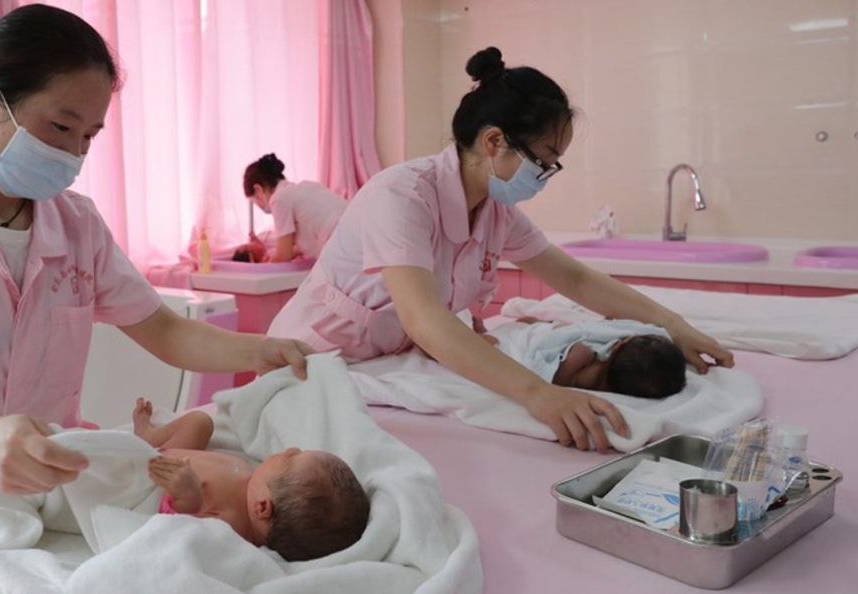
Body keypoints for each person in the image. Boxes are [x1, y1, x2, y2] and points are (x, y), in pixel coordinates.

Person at [0, 5, 312, 507]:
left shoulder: (77, 225)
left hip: (44, 493)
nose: (74, 154)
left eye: (88, 137)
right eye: (61, 127)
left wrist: (260, 351)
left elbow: (165, 330)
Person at [269, 46, 733, 453]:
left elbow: (574, 279)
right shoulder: (402, 196)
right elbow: (423, 317)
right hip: (307, 363)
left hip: (382, 368)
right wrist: (537, 394)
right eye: (542, 161)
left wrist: (673, 325)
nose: (545, 175)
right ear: (494, 141)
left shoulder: (494, 209)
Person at [133, 398, 369, 562]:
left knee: (196, 423)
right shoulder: (250, 476)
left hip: (153, 479)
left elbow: (183, 533)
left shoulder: (231, 525)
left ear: (263, 507)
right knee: (200, 422)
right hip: (165, 455)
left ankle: (145, 444)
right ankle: (150, 437)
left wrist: (188, 499)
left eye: (289, 458)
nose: (291, 447)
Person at [487, 319, 687, 398]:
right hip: (544, 334)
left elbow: (545, 375)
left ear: (618, 347)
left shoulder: (582, 357)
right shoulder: (622, 381)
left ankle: (484, 334)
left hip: (529, 342)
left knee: (500, 341)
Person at [244, 153, 347, 262]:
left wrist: (262, 268)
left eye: (255, 202)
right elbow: (302, 244)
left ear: (258, 190)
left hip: (342, 243)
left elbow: (284, 255)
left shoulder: (279, 199)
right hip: (357, 229)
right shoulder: (306, 186)